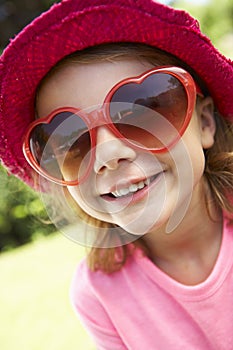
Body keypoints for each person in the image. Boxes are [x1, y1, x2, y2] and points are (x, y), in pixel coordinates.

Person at [0, 0, 233, 349]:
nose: (106, 155)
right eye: (70, 139)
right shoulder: (97, 296)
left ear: (203, 123)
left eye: (142, 109)